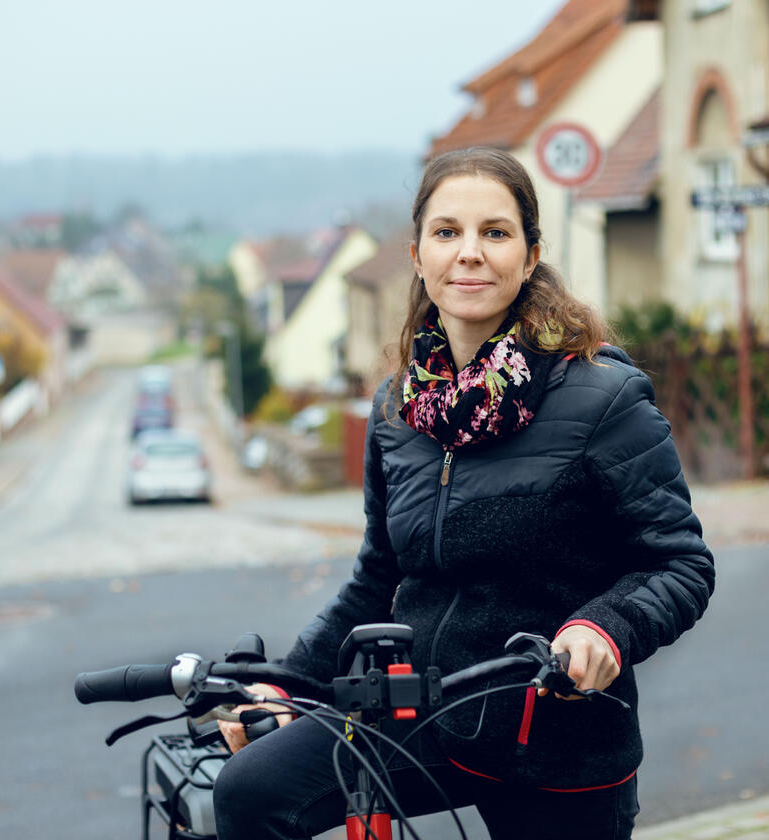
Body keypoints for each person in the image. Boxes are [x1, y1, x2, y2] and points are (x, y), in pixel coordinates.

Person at [213, 147, 715, 840]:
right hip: (425, 713)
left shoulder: (604, 397)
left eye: (495, 232)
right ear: (418, 256)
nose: (469, 252)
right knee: (250, 791)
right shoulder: (398, 409)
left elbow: (680, 563)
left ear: (530, 256)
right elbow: (379, 577)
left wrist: (604, 627)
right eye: (447, 232)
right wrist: (287, 685)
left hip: (553, 734)